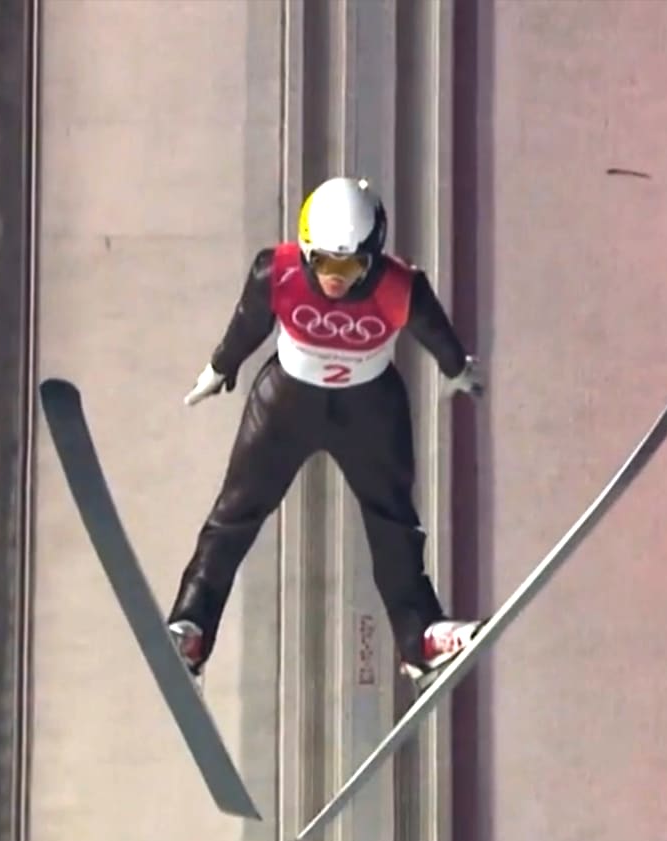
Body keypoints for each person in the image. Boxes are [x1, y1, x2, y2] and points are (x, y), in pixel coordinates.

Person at [167, 176, 484, 681]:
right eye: (326, 263)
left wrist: (458, 371)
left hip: (369, 410)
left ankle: (421, 637)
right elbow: (248, 324)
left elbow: (438, 335)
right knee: (234, 515)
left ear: (373, 256)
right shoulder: (278, 271)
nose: (337, 278)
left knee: (394, 524)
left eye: (352, 265)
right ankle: (191, 628)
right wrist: (219, 368)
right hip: (287, 403)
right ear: (307, 250)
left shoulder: (401, 286)